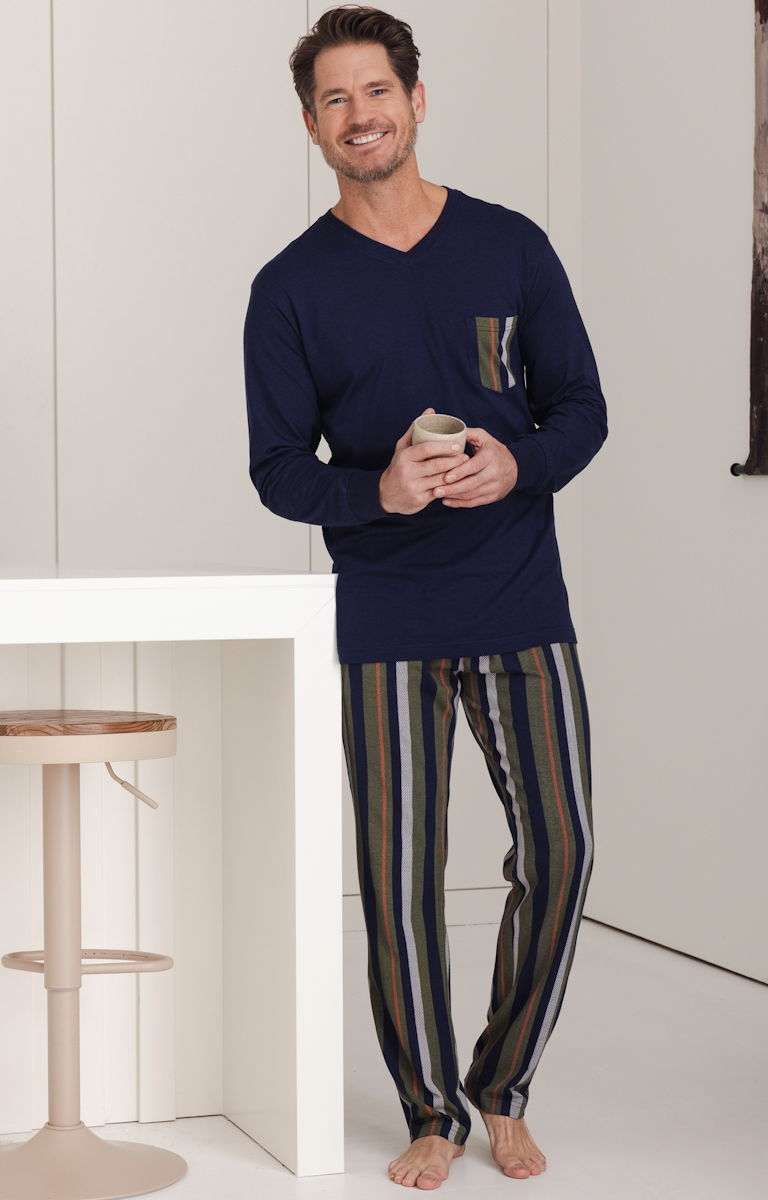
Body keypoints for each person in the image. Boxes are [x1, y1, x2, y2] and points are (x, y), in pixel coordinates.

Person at [244, 6, 606, 1189]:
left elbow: (579, 408)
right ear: (311, 126)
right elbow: (277, 470)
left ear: (414, 99)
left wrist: (517, 463)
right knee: (399, 882)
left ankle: (500, 1085)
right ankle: (431, 1110)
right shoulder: (288, 288)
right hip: (384, 618)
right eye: (334, 99)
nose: (360, 115)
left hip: (519, 600)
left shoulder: (510, 245)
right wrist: (379, 490)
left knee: (561, 851)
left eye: (376, 90)